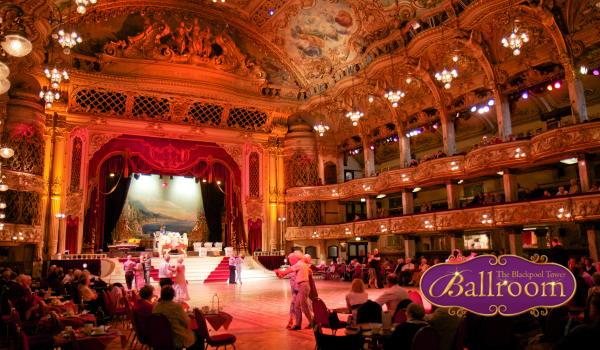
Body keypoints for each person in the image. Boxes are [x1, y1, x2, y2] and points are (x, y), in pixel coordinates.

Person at [152, 286, 202, 350]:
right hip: (176, 338)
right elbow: (187, 323)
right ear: (173, 295)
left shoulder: (155, 307)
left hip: (161, 338)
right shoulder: (177, 307)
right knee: (199, 335)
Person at [275, 251, 313, 330]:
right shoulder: (300, 264)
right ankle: (298, 324)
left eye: (293, 258)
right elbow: (284, 274)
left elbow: (285, 272)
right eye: (291, 259)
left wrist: (278, 271)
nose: (292, 260)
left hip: (302, 286)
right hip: (299, 287)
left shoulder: (299, 264)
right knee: (297, 306)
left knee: (305, 307)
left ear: (297, 258)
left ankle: (313, 323)